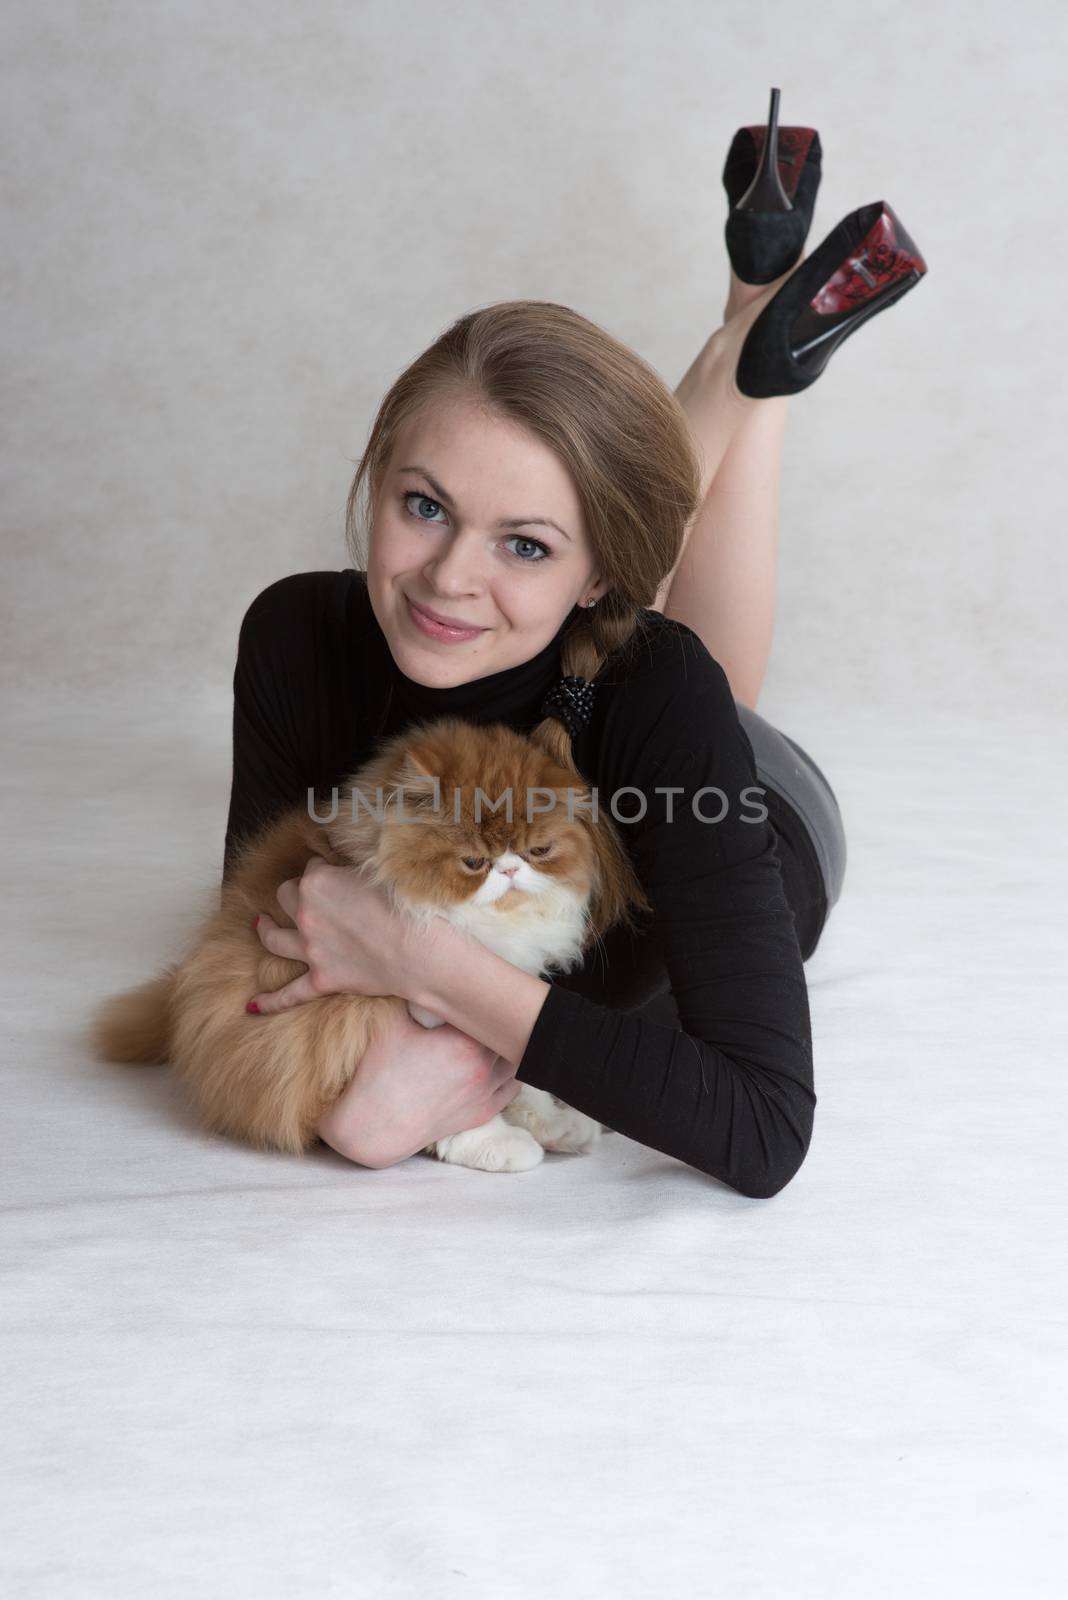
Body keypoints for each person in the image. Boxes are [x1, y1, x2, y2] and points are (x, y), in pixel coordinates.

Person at [223, 103, 925, 1197]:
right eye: (422, 505)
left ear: (598, 574)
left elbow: (763, 1126)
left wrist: (423, 966)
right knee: (616, 635)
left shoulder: (656, 685)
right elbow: (269, 942)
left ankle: (749, 343)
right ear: (376, 477)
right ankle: (753, 342)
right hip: (609, 689)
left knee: (698, 680)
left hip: (756, 799)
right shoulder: (292, 631)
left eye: (523, 543)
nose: (448, 577)